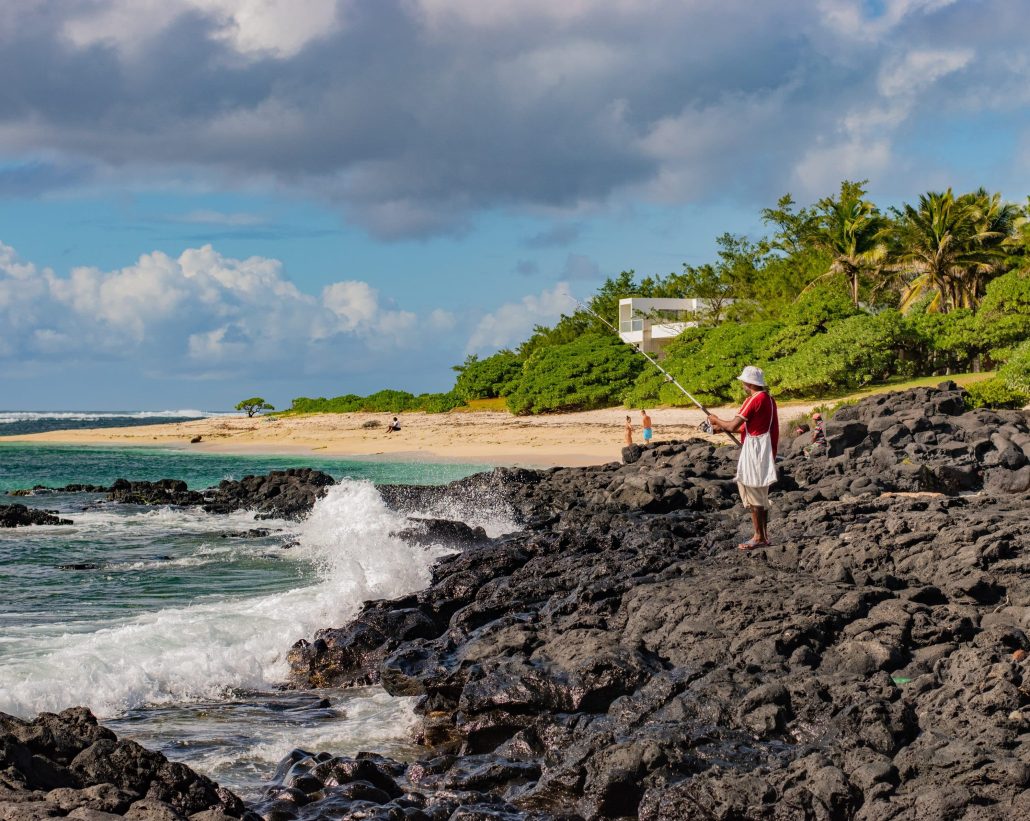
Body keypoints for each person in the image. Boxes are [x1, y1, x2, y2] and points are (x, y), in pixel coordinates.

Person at [708, 365, 779, 550]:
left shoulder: (753, 400)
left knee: (753, 492)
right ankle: (763, 536)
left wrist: (716, 420)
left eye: (743, 382)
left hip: (754, 449)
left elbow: (732, 426)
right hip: (765, 448)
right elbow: (750, 427)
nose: (742, 385)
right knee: (761, 496)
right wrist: (719, 428)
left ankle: (757, 537)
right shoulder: (770, 400)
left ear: (748, 383)